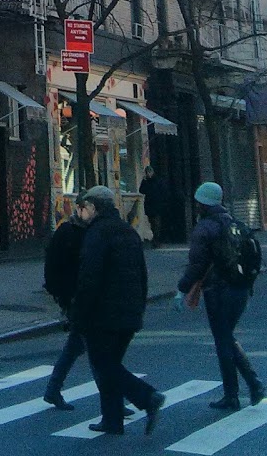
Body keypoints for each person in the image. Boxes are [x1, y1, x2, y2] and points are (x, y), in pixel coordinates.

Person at [70, 184, 165, 437]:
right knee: (111, 364)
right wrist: (139, 306)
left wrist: (78, 314)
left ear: (93, 207)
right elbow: (142, 274)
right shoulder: (128, 231)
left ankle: (147, 397)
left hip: (104, 313)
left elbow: (89, 278)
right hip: (129, 311)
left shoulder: (97, 233)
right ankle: (112, 421)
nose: (82, 212)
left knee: (104, 365)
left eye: (84, 208)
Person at [173, 181, 265, 412]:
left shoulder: (204, 228)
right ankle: (245, 389)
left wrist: (182, 289)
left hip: (218, 291)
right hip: (241, 289)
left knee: (223, 341)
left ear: (202, 203)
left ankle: (242, 390)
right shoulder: (235, 223)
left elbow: (197, 265)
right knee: (227, 337)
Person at [42, 199, 88, 409]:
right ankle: (115, 397)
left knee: (77, 345)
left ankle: (53, 389)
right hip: (76, 298)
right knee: (96, 348)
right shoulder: (69, 232)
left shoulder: (88, 232)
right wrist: (60, 295)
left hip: (79, 297)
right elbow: (52, 264)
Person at [139, 166, 171, 247]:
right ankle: (155, 239)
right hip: (150, 205)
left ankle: (156, 240)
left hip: (157, 205)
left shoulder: (158, 181)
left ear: (152, 172)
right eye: (147, 173)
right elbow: (141, 190)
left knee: (156, 223)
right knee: (152, 223)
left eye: (149, 172)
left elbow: (164, 192)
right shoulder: (147, 181)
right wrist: (144, 180)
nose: (148, 174)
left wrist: (163, 202)